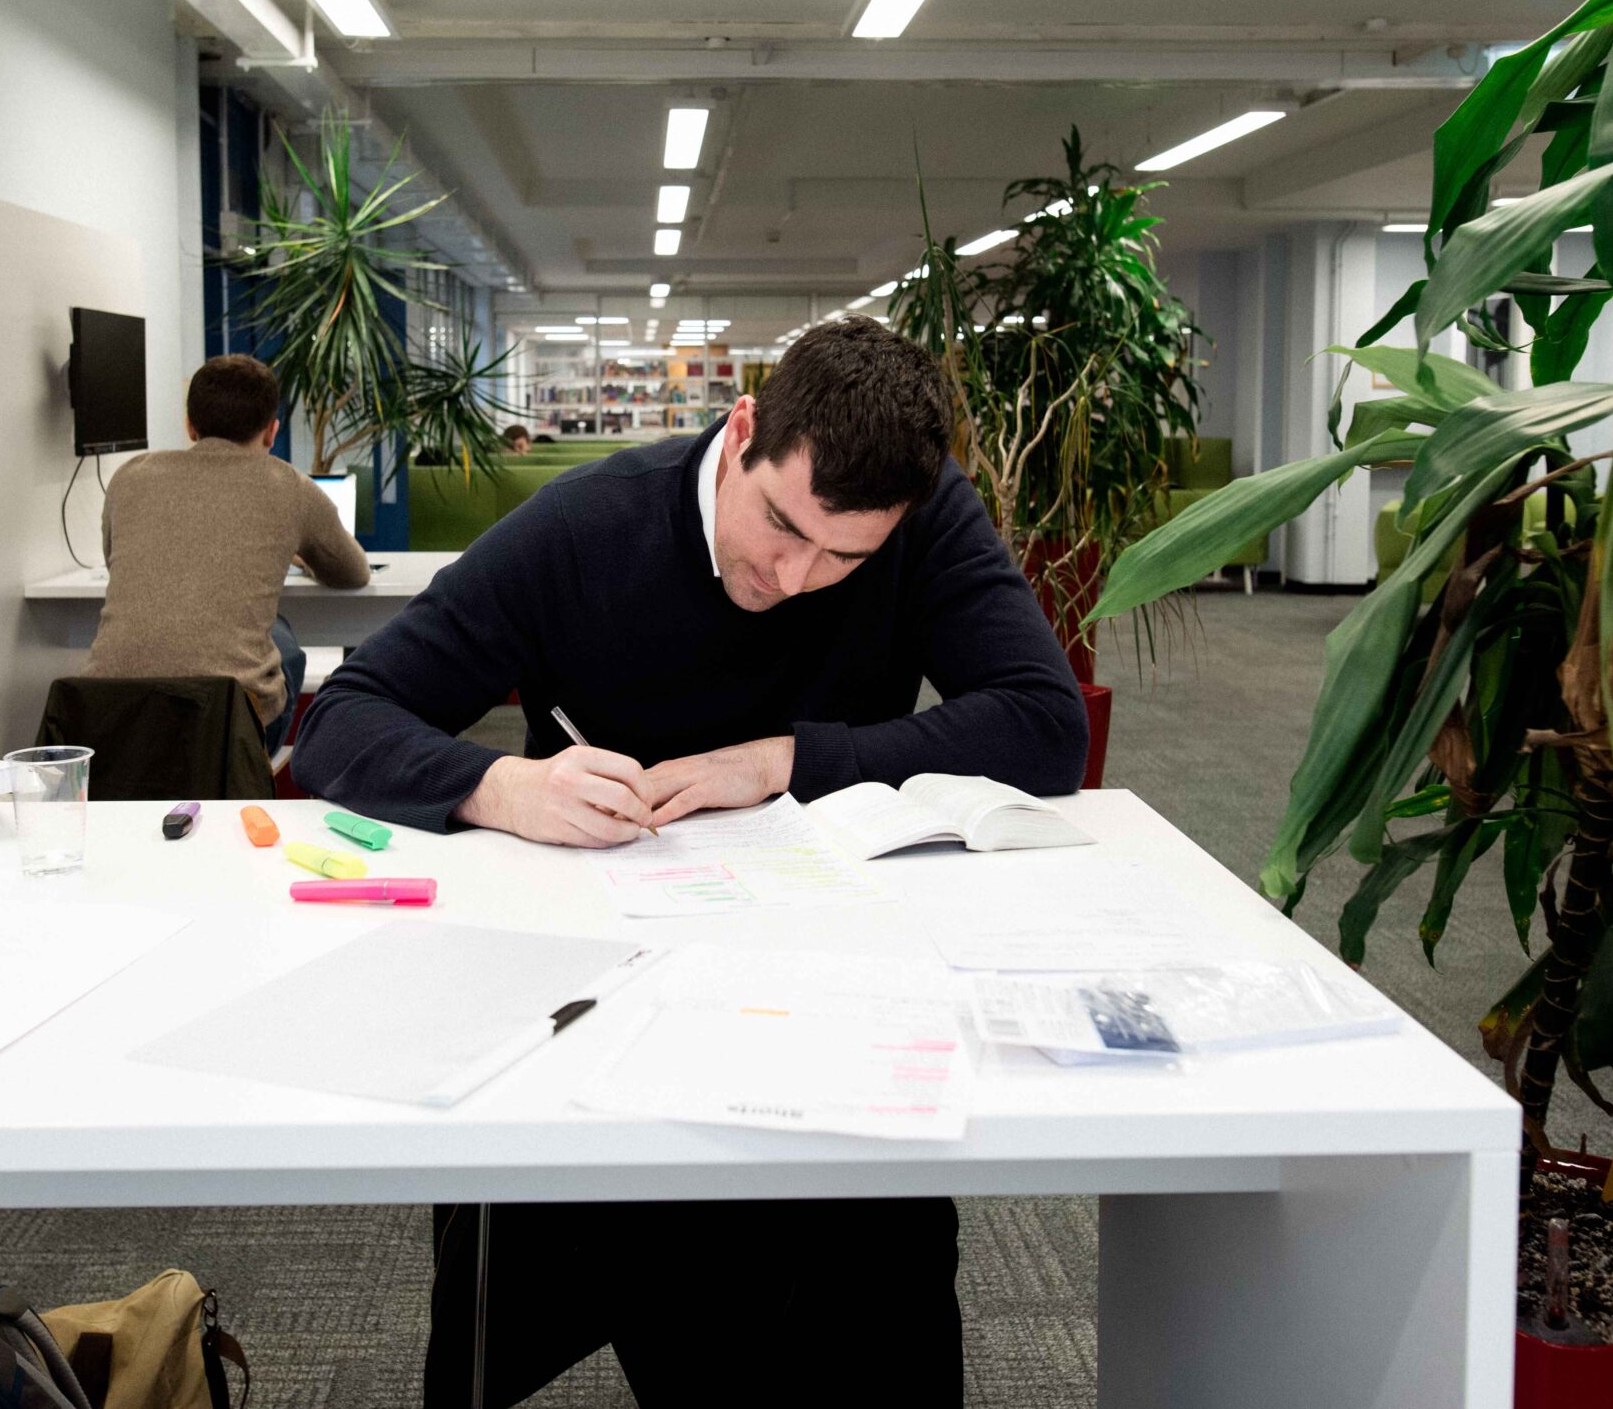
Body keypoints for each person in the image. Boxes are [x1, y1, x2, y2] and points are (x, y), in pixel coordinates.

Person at [293, 319, 1087, 1408]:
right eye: (780, 525)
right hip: (602, 994)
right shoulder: (588, 522)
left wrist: (789, 758)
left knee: (876, 1267)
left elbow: (1044, 724)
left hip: (829, 988)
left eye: (843, 556)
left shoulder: (922, 510)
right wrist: (502, 786)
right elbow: (343, 718)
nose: (797, 576)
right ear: (745, 428)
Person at [82, 354, 369, 754]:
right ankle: (252, 776)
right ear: (271, 432)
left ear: (190, 425)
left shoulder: (130, 475)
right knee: (283, 642)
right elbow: (354, 573)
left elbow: (115, 556)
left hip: (109, 716)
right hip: (224, 725)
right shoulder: (290, 486)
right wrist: (297, 554)